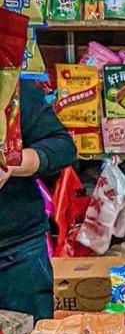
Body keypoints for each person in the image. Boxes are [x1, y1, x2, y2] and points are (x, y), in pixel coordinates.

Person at [0, 79, 77, 321]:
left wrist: (13, 163)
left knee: (31, 330)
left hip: (16, 252)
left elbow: (62, 146)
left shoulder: (10, 87)